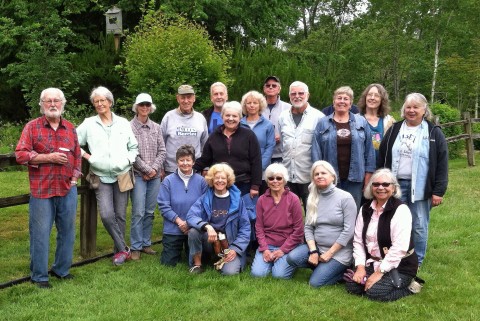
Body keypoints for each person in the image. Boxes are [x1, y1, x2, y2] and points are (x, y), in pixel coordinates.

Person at [15, 88, 81, 288]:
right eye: (48, 101)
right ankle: (40, 276)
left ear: (63, 104)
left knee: (68, 231)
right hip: (42, 190)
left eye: (56, 101)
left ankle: (61, 270)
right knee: (40, 233)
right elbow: (20, 155)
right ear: (42, 104)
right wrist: (47, 158)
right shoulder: (32, 127)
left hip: (67, 188)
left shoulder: (70, 128)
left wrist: (75, 178)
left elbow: (77, 156)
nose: (53, 104)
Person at [378, 93, 448, 266]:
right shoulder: (394, 129)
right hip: (394, 186)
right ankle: (393, 258)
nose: (411, 110)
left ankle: (417, 261)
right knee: (393, 223)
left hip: (421, 187)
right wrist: (379, 181)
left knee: (418, 225)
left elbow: (442, 163)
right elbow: (382, 156)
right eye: (408, 107)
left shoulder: (433, 132)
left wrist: (439, 191)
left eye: (416, 107)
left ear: (424, 110)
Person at [77, 86, 138, 266]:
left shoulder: (123, 123)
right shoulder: (89, 123)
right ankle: (124, 248)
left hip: (122, 174)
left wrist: (128, 159)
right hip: (100, 175)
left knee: (120, 215)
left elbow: (133, 147)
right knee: (106, 214)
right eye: (96, 101)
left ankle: (118, 252)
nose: (99, 104)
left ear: (110, 102)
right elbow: (72, 141)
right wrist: (88, 157)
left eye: (103, 100)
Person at [345, 168, 420, 301]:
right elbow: (358, 241)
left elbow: (399, 248)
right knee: (352, 286)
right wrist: (360, 267)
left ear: (394, 188)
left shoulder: (401, 210)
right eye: (376, 184)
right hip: (373, 262)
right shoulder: (365, 209)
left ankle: (411, 287)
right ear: (371, 187)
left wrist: (379, 273)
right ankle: (377, 281)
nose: (381, 187)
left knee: (375, 293)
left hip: (400, 265)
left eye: (386, 184)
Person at [287, 161, 357, 287]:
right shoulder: (312, 198)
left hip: (339, 252)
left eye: (323, 173)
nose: (319, 176)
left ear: (332, 176)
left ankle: (342, 271)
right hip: (318, 248)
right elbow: (308, 227)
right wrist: (313, 251)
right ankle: (321, 266)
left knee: (315, 283)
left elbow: (349, 230)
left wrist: (330, 253)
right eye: (316, 174)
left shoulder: (345, 198)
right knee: (292, 258)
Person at [312, 86, 376, 210]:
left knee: (352, 211)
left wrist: (368, 176)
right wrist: (318, 174)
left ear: (351, 104)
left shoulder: (361, 122)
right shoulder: (322, 123)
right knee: (330, 212)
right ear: (333, 101)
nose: (342, 101)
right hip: (329, 178)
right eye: (339, 98)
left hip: (355, 177)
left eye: (346, 99)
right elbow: (316, 151)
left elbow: (369, 151)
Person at [187, 163, 251, 275]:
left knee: (229, 273)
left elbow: (245, 228)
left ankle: (221, 259)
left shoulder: (237, 200)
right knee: (193, 231)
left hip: (230, 243)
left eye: (223, 178)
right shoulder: (205, 198)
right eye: (217, 178)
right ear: (212, 180)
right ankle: (197, 265)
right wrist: (207, 226)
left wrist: (235, 249)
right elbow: (191, 216)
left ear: (228, 180)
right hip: (210, 240)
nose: (220, 181)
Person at [193, 101, 262, 198]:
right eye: (227, 115)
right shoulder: (214, 136)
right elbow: (205, 159)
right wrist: (189, 169)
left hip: (244, 184)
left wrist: (255, 186)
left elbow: (256, 161)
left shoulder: (249, 135)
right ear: (222, 116)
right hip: (220, 184)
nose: (230, 119)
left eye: (234, 116)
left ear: (240, 118)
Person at [251, 163, 304, 279]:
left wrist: (282, 250)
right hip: (268, 244)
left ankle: (286, 262)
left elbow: (298, 230)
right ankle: (271, 261)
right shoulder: (261, 200)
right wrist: (264, 249)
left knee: (279, 276)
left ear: (284, 180)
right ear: (267, 181)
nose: (275, 181)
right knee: (257, 274)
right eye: (271, 178)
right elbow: (259, 227)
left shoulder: (293, 199)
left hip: (287, 244)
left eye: (279, 178)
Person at [129, 93, 166, 260]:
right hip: (138, 175)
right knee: (138, 211)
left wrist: (153, 170)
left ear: (151, 107)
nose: (145, 108)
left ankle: (146, 243)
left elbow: (162, 151)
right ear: (136, 106)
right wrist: (146, 170)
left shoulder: (156, 127)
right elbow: (130, 153)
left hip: (155, 176)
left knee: (150, 211)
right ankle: (135, 246)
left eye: (147, 105)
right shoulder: (128, 127)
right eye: (141, 104)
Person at [158, 145, 208, 266]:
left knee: (205, 260)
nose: (185, 163)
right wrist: (179, 222)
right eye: (181, 160)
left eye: (188, 160)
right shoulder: (168, 181)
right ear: (177, 162)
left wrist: (191, 223)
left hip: (195, 228)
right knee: (168, 263)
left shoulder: (201, 181)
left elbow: (205, 206)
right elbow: (164, 206)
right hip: (174, 227)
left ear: (193, 162)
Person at [278, 81, 324, 210]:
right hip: (287, 175)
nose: (297, 96)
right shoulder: (283, 117)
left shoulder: (318, 117)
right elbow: (283, 144)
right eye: (293, 93)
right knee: (287, 213)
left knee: (312, 213)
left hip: (308, 176)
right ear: (289, 96)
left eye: (301, 93)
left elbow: (322, 147)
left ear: (308, 95)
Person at [160, 84, 208, 177]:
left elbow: (205, 146)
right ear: (178, 98)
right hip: (171, 170)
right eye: (183, 97)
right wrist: (161, 167)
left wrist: (205, 167)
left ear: (194, 98)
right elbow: (160, 144)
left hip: (195, 170)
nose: (186, 101)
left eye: (189, 97)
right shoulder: (168, 117)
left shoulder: (200, 118)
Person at [240, 90, 275, 194]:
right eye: (249, 103)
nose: (252, 105)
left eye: (255, 103)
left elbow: (270, 147)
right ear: (245, 105)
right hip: (243, 173)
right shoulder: (239, 124)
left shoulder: (268, 125)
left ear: (260, 105)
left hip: (262, 172)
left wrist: (258, 168)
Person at [357, 83, 395, 157]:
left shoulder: (390, 121)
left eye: (376, 95)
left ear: (382, 100)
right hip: (361, 166)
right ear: (365, 97)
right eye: (369, 94)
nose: (372, 98)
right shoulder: (355, 120)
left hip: (382, 166)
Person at [262, 76, 291, 163]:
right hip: (262, 154)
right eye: (268, 85)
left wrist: (281, 136)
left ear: (279, 89)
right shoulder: (257, 107)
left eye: (274, 86)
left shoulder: (288, 108)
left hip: (281, 155)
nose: (270, 87)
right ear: (264, 89)